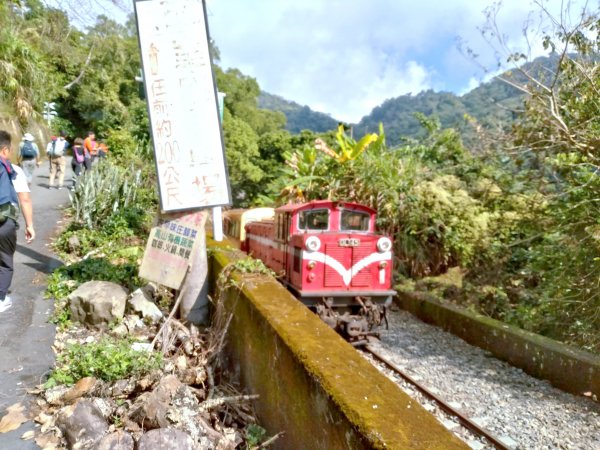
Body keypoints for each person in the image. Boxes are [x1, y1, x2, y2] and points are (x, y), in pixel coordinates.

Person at [0, 130, 35, 312]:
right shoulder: (14, 170)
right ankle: (0, 299)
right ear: (5, 150)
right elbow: (25, 200)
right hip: (4, 223)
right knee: (5, 261)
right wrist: (29, 225)